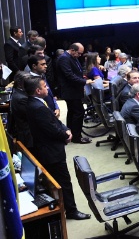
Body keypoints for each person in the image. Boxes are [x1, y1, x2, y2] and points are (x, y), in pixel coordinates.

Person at [24, 76, 91, 220]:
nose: (47, 88)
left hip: (49, 147)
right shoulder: (37, 107)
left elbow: (54, 122)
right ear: (38, 90)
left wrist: (66, 129)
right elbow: (51, 129)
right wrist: (65, 135)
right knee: (64, 183)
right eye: (44, 86)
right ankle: (71, 211)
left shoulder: (35, 103)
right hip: (51, 152)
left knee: (60, 181)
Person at [56, 43, 94, 144]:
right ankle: (77, 137)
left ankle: (71, 134)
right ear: (72, 50)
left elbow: (76, 71)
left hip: (74, 90)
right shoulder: (64, 58)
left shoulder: (71, 57)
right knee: (78, 112)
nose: (80, 55)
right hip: (70, 91)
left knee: (73, 112)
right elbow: (69, 75)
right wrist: (84, 82)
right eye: (79, 53)